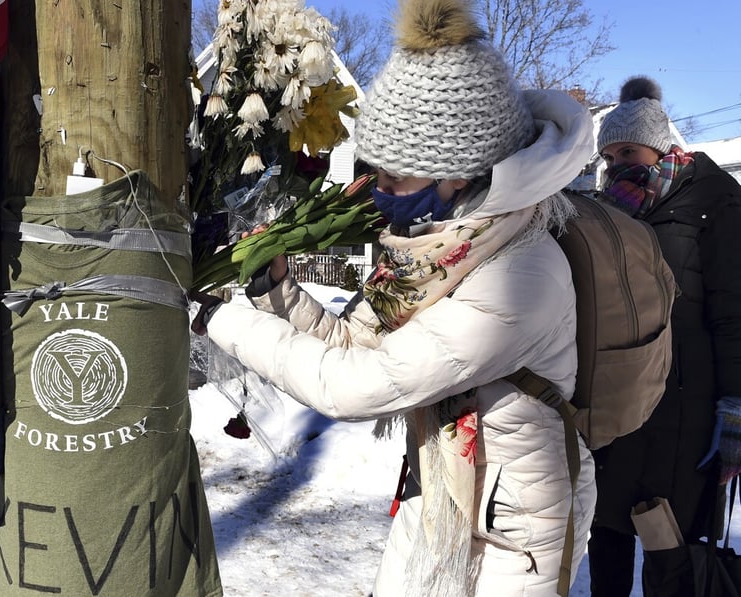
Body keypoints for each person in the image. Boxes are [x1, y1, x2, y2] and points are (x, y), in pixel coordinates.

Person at [189, 0, 597, 594]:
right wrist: (277, 293)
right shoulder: (433, 251)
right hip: (440, 488)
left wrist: (223, 320)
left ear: (460, 172)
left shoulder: (519, 274)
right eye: (374, 172)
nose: (378, 194)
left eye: (394, 178)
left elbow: (357, 385)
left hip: (519, 526)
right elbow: (355, 340)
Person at [588, 76, 741, 597]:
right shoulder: (609, 212)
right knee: (605, 532)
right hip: (617, 406)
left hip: (685, 415)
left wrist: (735, 411)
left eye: (628, 149)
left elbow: (733, 314)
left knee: (670, 547)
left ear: (662, 146)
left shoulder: (717, 202)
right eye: (608, 157)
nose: (617, 166)